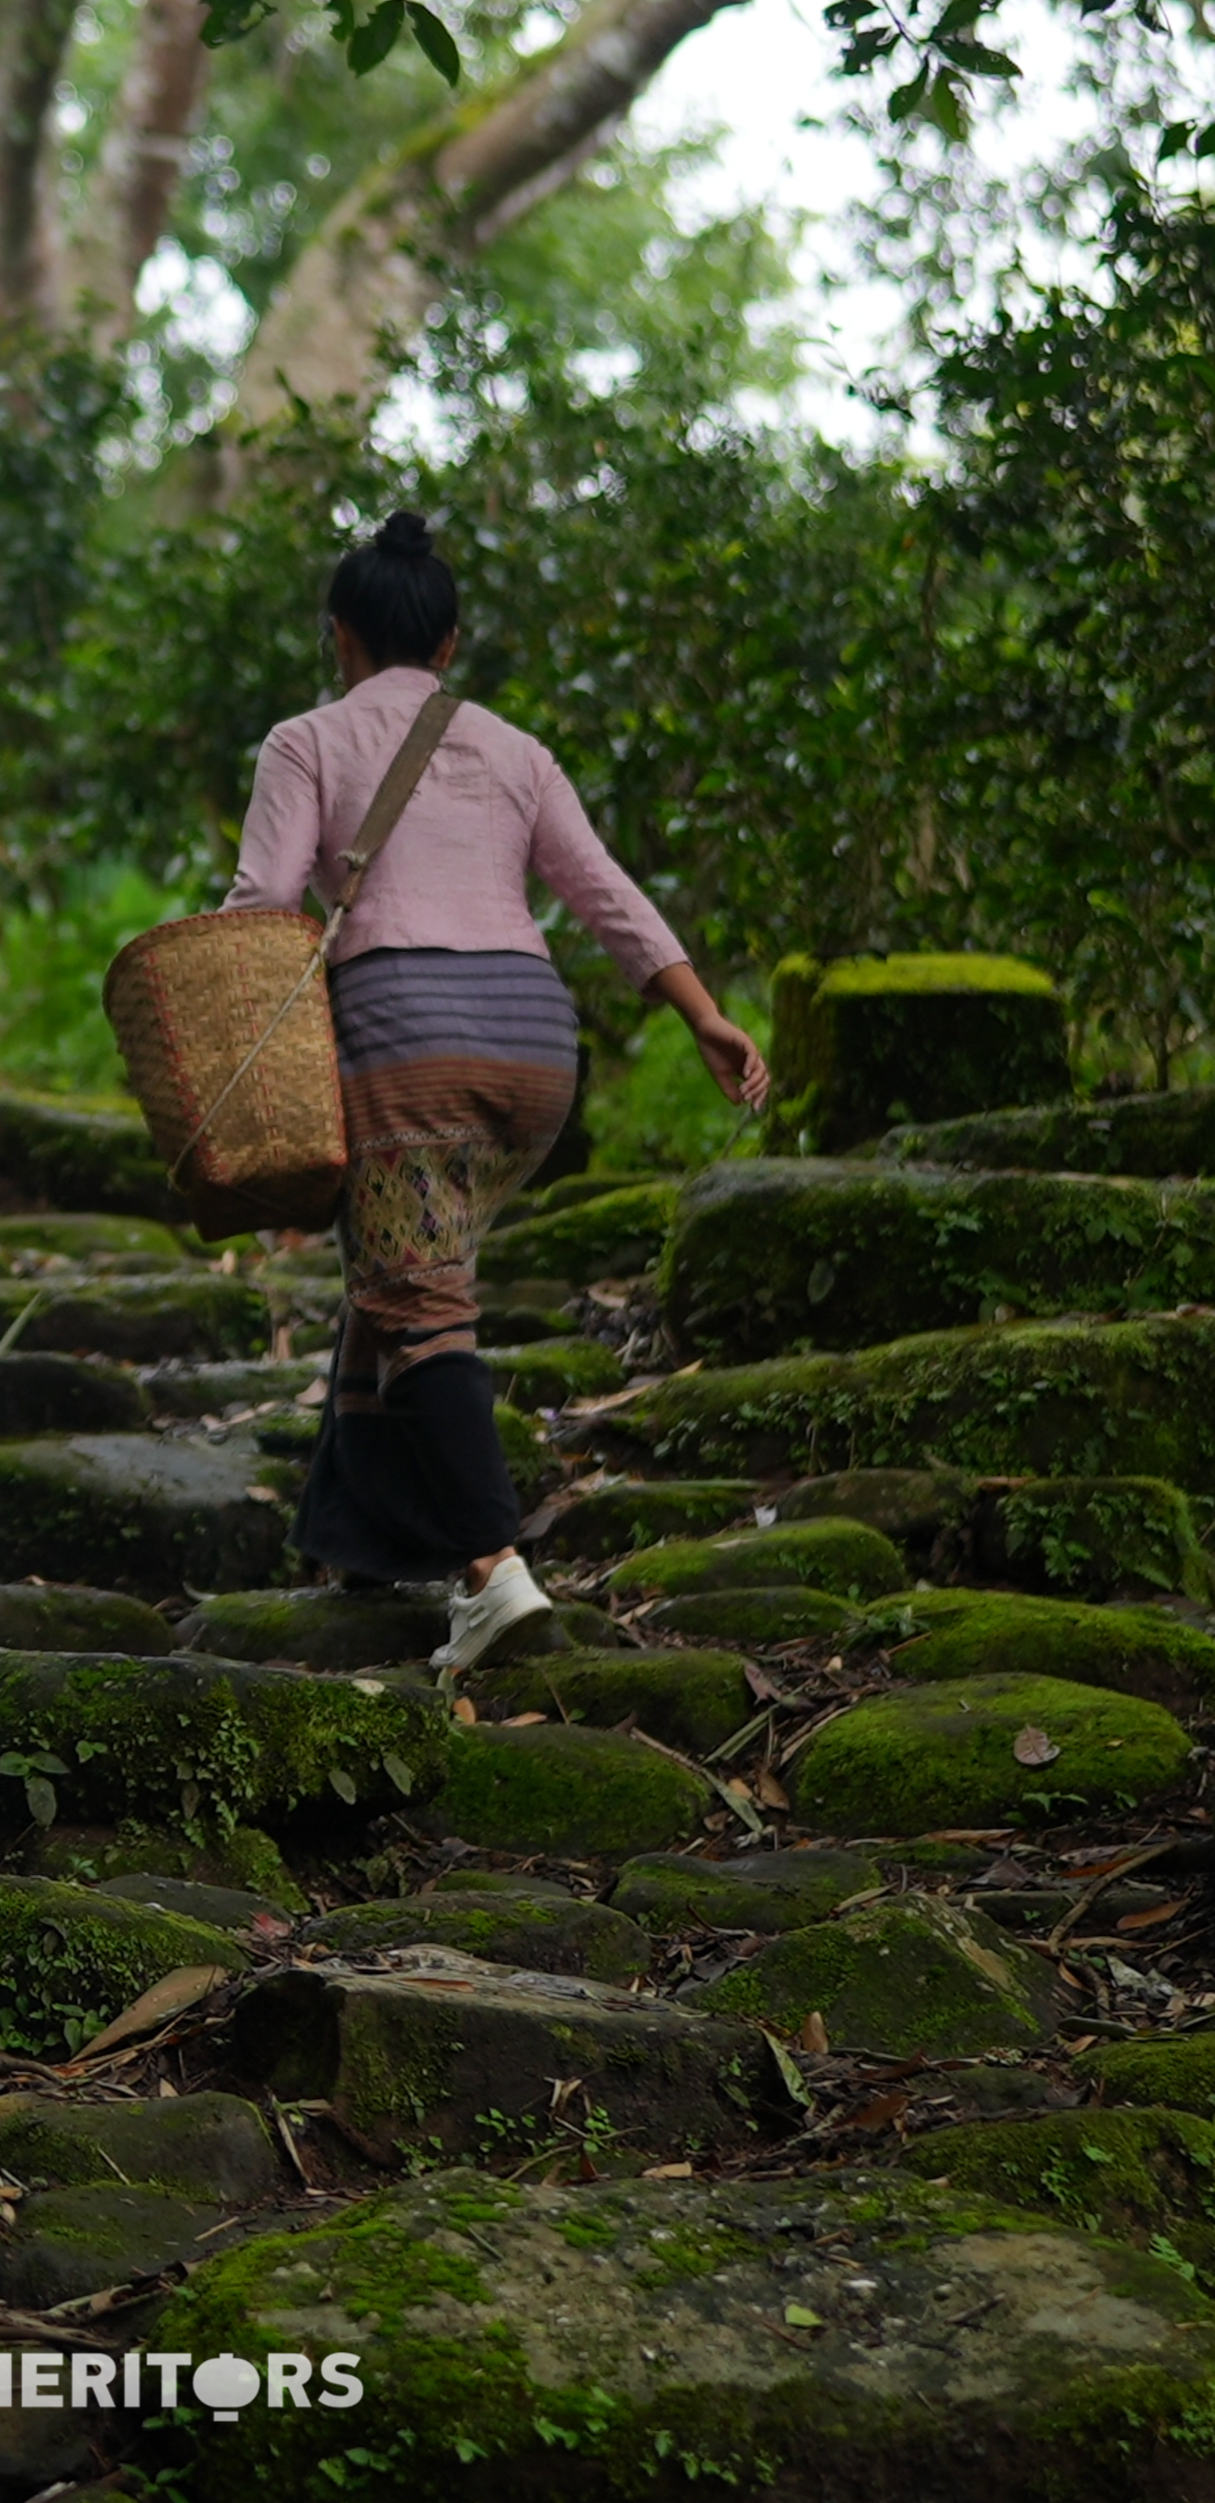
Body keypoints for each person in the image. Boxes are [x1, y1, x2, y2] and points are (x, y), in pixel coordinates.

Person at [223, 509, 769, 1679]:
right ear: (452, 645)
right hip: (534, 1052)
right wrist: (702, 1012)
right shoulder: (516, 751)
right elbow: (603, 890)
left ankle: (491, 1571)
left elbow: (265, 905)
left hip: (405, 1041)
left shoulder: (305, 741)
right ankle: (359, 1542)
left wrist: (226, 1032)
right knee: (397, 1273)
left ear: (339, 637)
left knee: (418, 1300)